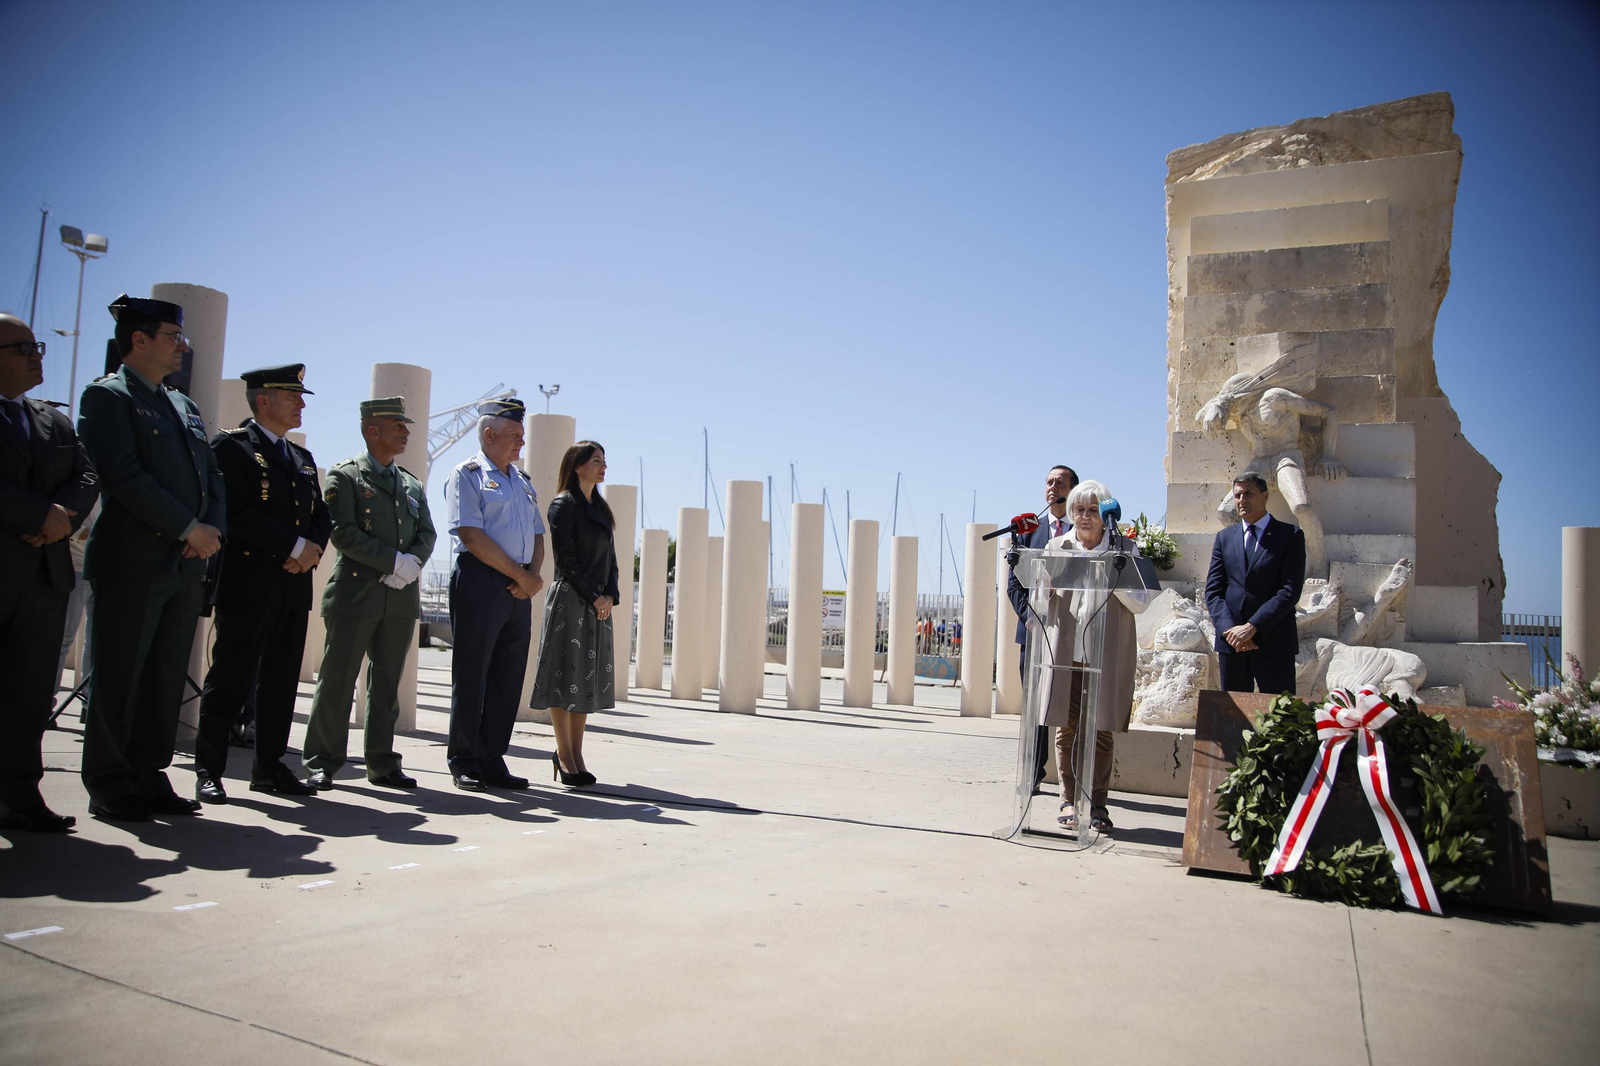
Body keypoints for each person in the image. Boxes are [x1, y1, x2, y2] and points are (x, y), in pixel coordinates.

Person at [77, 295, 224, 821]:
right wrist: (187, 527)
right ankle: (109, 780)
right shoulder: (107, 397)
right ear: (138, 339)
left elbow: (212, 478)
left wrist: (211, 533)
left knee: (163, 676)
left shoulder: (182, 405)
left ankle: (147, 771)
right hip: (133, 562)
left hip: (185, 564)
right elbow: (122, 476)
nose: (183, 346)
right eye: (173, 336)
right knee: (121, 674)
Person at [192, 364, 332, 803]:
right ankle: (209, 769)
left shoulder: (302, 459)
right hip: (248, 583)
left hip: (293, 587)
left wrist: (311, 550)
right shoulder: (232, 448)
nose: (301, 404)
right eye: (292, 396)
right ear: (262, 400)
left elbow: (321, 516)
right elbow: (236, 513)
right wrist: (294, 547)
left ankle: (269, 768)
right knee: (231, 678)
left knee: (281, 683)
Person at [300, 397, 436, 790]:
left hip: (399, 599)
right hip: (356, 595)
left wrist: (411, 564)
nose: (406, 431)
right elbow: (341, 531)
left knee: (386, 686)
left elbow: (427, 532)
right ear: (372, 429)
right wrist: (394, 562)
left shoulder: (410, 483)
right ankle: (321, 760)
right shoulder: (345, 477)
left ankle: (381, 762)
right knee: (338, 682)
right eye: (398, 425)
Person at [0, 315, 98, 831]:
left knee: (31, 690)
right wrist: (39, 515)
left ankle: (19, 794)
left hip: (43, 575)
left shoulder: (52, 420)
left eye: (38, 346)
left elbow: (86, 474)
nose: (38, 355)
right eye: (22, 348)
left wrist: (62, 516)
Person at [443, 399, 545, 792]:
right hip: (481, 582)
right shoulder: (466, 475)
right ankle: (465, 759)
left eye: (522, 435)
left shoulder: (522, 480)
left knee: (507, 676)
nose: (521, 442)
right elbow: (471, 534)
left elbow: (537, 533)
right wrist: (520, 574)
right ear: (489, 434)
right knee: (472, 674)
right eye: (515, 435)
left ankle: (491, 758)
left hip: (519, 586)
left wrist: (531, 576)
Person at [1042, 478, 1139, 833]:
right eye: (1079, 509)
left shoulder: (1125, 548)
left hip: (1105, 652)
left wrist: (1117, 573)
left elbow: (1140, 603)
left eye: (1093, 510)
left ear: (1106, 514)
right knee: (1066, 729)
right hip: (1067, 651)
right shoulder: (1057, 546)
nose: (1085, 517)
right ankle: (1068, 800)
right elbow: (1041, 600)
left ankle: (1098, 805)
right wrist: (1044, 587)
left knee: (1100, 731)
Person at [530, 440, 619, 786]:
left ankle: (577, 754)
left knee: (585, 680)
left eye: (603, 460)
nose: (603, 466)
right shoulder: (562, 505)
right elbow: (566, 560)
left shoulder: (601, 508)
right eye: (596, 461)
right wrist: (594, 596)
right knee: (563, 676)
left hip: (597, 603)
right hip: (571, 599)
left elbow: (611, 558)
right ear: (577, 466)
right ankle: (564, 754)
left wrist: (610, 594)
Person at [1006, 464, 1078, 788]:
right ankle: (1033, 773)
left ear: (1072, 490)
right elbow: (1013, 586)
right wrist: (1031, 620)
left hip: (1073, 634)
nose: (1052, 487)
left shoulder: (1085, 529)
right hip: (1035, 633)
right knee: (1035, 705)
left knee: (1071, 705)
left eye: (1059, 482)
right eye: (1048, 482)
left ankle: (1073, 779)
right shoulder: (1026, 532)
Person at [1204, 471, 1306, 696]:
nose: (1242, 501)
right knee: (1233, 723)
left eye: (1248, 494)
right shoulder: (1224, 538)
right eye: (1237, 495)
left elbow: (1289, 590)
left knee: (1280, 717)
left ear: (1265, 496)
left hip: (1273, 641)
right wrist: (1230, 630)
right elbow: (1213, 591)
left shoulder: (1289, 535)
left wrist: (1252, 628)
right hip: (1232, 644)